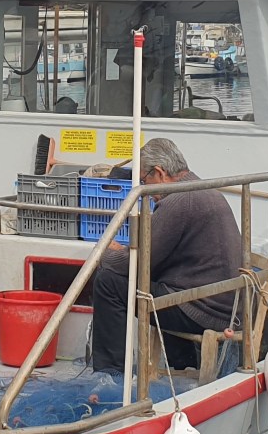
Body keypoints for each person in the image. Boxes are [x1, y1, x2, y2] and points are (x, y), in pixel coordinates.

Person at [88, 137, 243, 376]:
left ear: (159, 173)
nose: (146, 191)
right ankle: (181, 362)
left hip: (204, 311)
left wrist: (106, 252)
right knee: (160, 283)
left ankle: (110, 374)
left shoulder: (178, 201)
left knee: (108, 281)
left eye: (144, 181)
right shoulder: (204, 189)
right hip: (225, 306)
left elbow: (136, 264)